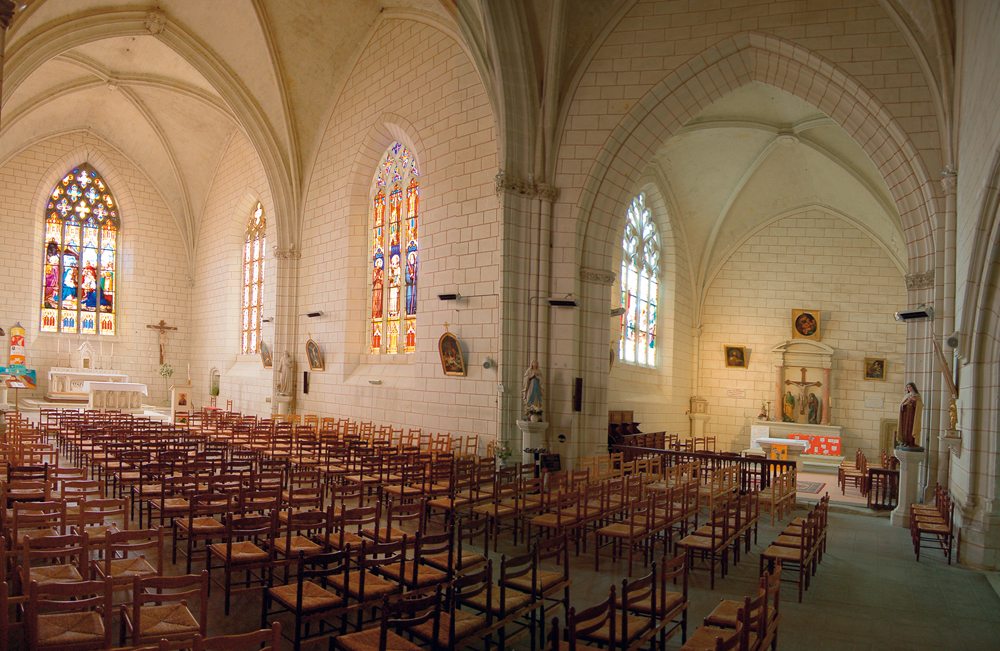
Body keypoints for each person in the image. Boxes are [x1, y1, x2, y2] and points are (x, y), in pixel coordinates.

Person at [898, 382, 923, 448]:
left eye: (910, 387)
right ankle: (905, 442)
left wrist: (914, 400)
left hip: (912, 416)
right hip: (906, 415)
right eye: (908, 387)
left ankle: (912, 442)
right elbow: (901, 405)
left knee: (911, 428)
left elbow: (920, 405)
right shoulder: (907, 396)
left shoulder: (917, 396)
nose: (909, 388)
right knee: (905, 428)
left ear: (913, 387)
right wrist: (905, 404)